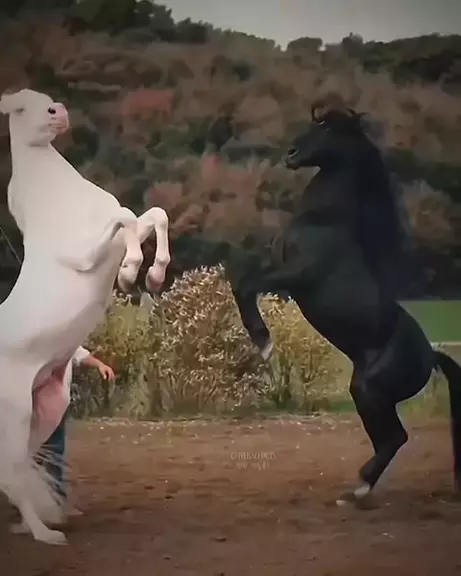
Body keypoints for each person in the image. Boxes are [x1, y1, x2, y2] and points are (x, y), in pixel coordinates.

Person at [40, 346, 115, 517]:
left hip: (56, 406)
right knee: (38, 454)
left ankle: (56, 503)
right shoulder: (42, 338)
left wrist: (100, 365)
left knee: (54, 453)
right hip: (38, 404)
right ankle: (35, 506)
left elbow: (80, 355)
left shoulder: (65, 340)